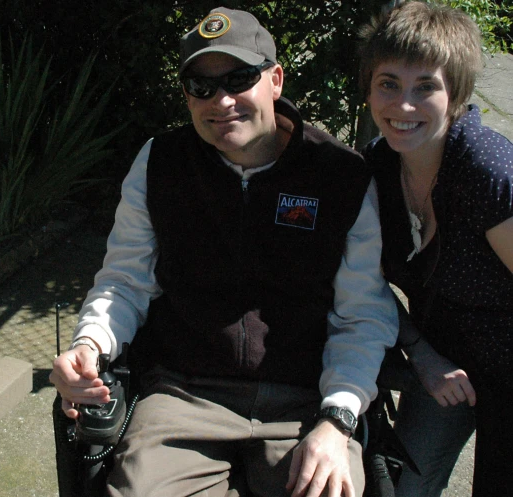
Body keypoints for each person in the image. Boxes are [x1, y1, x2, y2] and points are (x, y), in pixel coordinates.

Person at [50, 8, 398, 497]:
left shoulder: (340, 175)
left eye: (239, 78)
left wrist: (337, 420)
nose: (222, 100)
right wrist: (89, 346)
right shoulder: (160, 163)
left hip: (303, 399)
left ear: (275, 80)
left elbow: (362, 314)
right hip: (185, 393)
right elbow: (125, 281)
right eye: (202, 86)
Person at [359, 1, 513, 496]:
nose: (403, 106)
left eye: (425, 87)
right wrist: (421, 354)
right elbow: (362, 281)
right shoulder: (375, 172)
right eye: (389, 84)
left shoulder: (487, 171)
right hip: (447, 364)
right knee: (401, 488)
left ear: (458, 93)